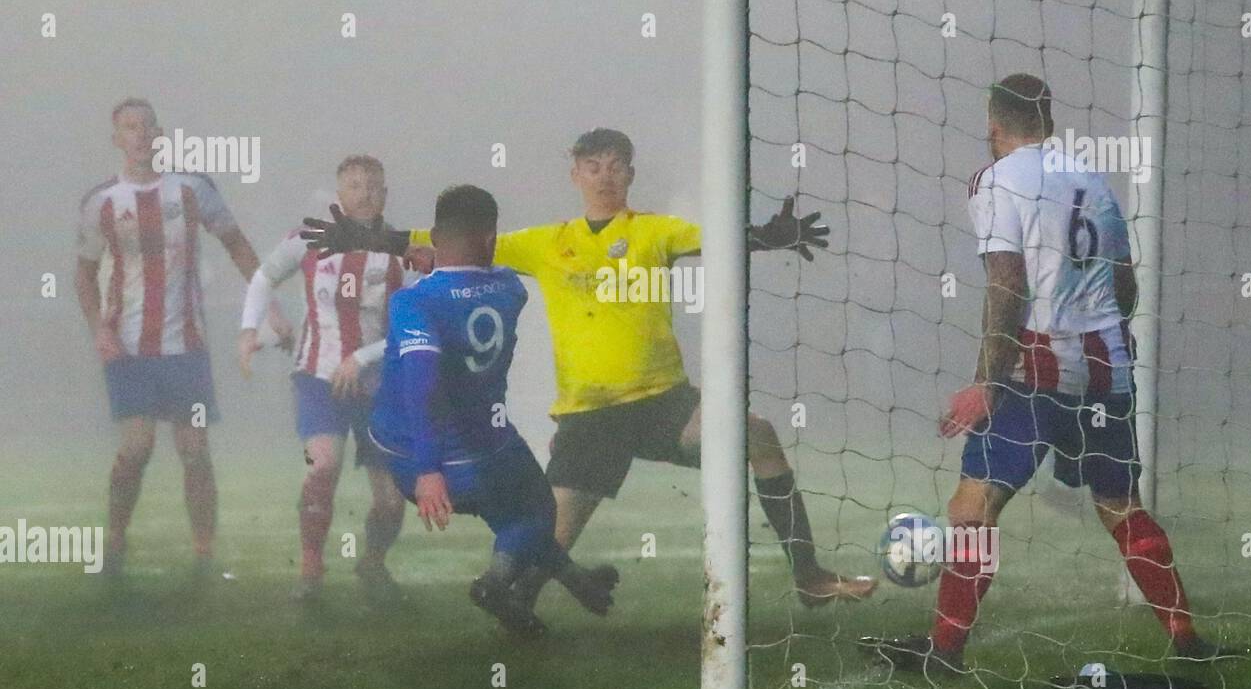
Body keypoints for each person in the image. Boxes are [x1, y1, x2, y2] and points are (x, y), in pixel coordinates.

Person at [303, 129, 878, 610]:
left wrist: (769, 237)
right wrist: (363, 235)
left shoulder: (656, 231)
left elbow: (721, 239)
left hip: (664, 404)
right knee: (537, 556)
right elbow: (442, 239)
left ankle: (808, 575)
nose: (605, 176)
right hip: (590, 416)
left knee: (758, 434)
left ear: (630, 175)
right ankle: (516, 614)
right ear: (575, 173)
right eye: (593, 165)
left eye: (616, 167)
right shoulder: (548, 243)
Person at [860, 74, 1240, 674]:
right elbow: (1125, 285)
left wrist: (985, 380)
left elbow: (1007, 282)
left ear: (994, 128)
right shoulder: (1091, 178)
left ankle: (945, 652)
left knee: (972, 509)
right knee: (1119, 504)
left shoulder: (995, 180)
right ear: (1049, 124)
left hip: (1037, 365)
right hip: (1106, 365)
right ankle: (1187, 638)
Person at [367, 184, 619, 636]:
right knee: (535, 511)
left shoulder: (412, 301)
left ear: (438, 237)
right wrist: (434, 470)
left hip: (401, 453)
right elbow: (428, 381)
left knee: (512, 509)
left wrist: (425, 471)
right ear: (490, 237)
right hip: (475, 450)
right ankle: (496, 583)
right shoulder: (509, 288)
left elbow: (421, 382)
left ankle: (580, 583)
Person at [75, 98, 291, 577]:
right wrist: (98, 331)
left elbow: (236, 244)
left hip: (186, 348)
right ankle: (113, 539)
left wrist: (269, 306)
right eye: (127, 127)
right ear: (116, 139)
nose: (137, 135)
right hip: (129, 348)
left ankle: (203, 553)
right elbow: (84, 275)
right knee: (137, 447)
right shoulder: (102, 202)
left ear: (158, 134)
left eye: (145, 126)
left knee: (194, 451)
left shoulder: (192, 190)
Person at [239, 155, 409, 603]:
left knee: (392, 500)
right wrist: (248, 330)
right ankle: (310, 572)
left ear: (385, 194)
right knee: (324, 466)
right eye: (354, 185)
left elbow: (415, 330)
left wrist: (363, 357)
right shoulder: (308, 239)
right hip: (317, 376)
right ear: (339, 195)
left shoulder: (404, 252)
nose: (364, 192)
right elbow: (263, 278)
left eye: (373, 185)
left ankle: (373, 565)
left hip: (382, 384)